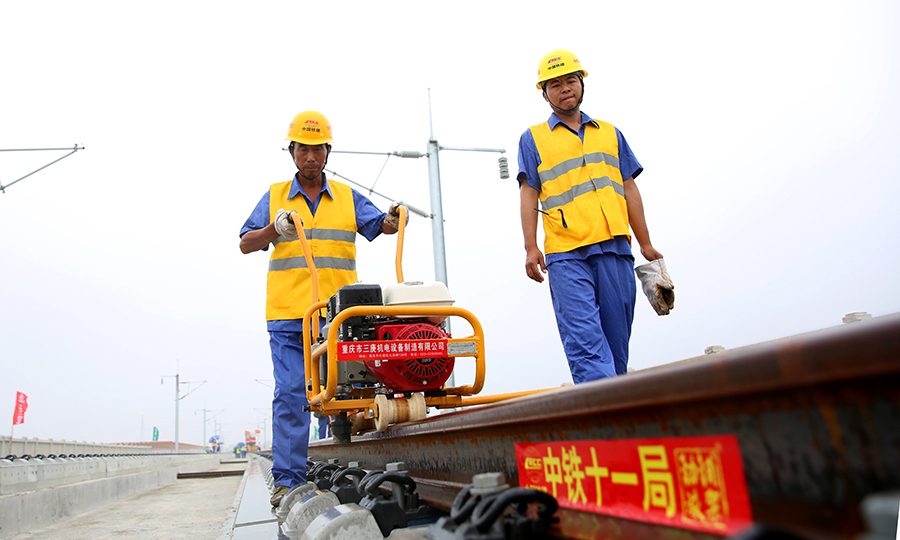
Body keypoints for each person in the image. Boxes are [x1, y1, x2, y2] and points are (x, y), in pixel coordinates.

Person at [239, 110, 407, 506]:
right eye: (302, 149)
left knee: (346, 390)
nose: (310, 157)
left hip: (337, 318)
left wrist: (392, 219)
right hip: (288, 315)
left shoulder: (347, 197)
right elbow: (246, 242)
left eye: (317, 149)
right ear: (292, 152)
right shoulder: (276, 196)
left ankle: (350, 438)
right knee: (292, 393)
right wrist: (272, 230)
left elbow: (378, 225)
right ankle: (288, 482)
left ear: (328, 151)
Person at [516, 50, 664, 384]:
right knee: (586, 343)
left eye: (570, 80)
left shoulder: (611, 133)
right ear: (544, 93)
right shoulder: (533, 138)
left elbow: (629, 189)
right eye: (555, 84)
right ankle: (603, 417)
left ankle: (614, 411)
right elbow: (528, 192)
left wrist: (646, 244)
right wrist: (530, 246)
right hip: (568, 254)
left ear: (581, 84)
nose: (565, 88)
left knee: (616, 346)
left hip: (615, 248)